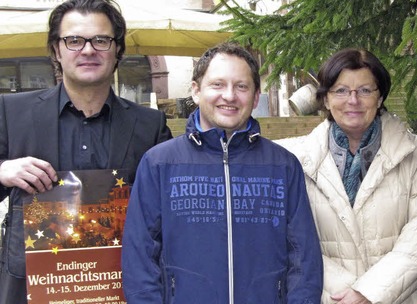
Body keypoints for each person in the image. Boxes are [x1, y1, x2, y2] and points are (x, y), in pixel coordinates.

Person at [121, 42, 323, 303]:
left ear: (255, 95)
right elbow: (140, 257)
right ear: (196, 91)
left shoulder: (282, 166)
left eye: (241, 86)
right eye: (217, 84)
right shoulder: (159, 164)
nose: (229, 96)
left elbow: (303, 257)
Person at [0, 0, 172, 303]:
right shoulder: (12, 112)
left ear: (117, 49)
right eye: (74, 40)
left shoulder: (150, 125)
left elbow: (170, 207)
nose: (88, 50)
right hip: (31, 287)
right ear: (56, 50)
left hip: (119, 286)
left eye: (101, 40)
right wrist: (2, 171)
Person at [277, 48, 417, 304]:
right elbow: (291, 242)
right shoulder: (293, 160)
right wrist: (349, 296)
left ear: (380, 97)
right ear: (326, 100)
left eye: (365, 90)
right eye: (340, 91)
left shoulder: (416, 153)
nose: (353, 100)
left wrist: (369, 293)